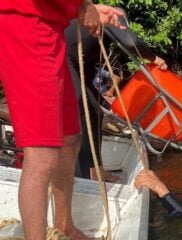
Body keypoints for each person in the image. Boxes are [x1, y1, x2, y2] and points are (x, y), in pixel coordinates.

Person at [0, 1, 125, 239]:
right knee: (42, 153)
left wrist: (84, 7)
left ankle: (64, 225)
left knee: (70, 138)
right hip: (26, 25)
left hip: (49, 28)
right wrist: (83, 6)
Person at [65, 11, 167, 181]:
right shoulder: (112, 15)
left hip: (75, 64)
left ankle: (97, 170)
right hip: (60, 57)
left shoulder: (97, 39)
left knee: (96, 113)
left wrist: (103, 99)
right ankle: (83, 179)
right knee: (81, 115)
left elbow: (88, 73)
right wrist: (153, 57)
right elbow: (131, 41)